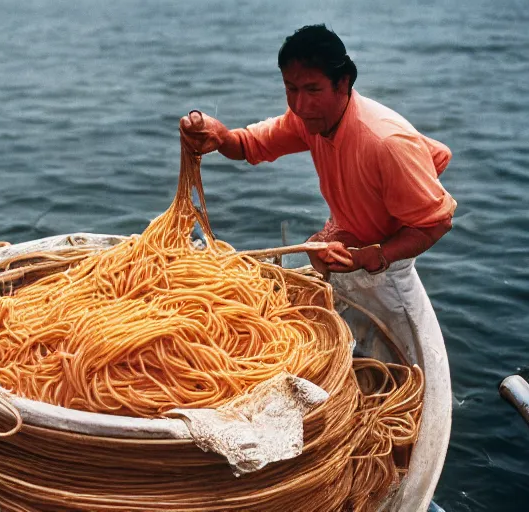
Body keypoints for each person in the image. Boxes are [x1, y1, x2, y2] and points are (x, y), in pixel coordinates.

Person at [178, 24, 455, 358]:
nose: (300, 104)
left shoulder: (385, 143)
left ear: (344, 82)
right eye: (290, 88)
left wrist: (376, 255)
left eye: (312, 89)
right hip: (344, 244)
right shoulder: (311, 119)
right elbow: (249, 145)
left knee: (402, 365)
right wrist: (219, 135)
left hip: (388, 272)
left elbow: (437, 222)